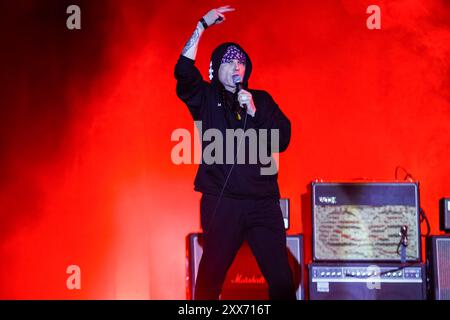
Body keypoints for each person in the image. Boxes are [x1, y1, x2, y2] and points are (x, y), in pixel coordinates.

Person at [174, 6, 295, 300]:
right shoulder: (206, 97)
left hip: (262, 202)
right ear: (216, 69)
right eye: (229, 61)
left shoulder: (261, 100)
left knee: (281, 276)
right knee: (211, 275)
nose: (237, 65)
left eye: (241, 61)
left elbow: (283, 138)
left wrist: (254, 111)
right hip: (222, 200)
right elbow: (183, 72)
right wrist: (202, 24)